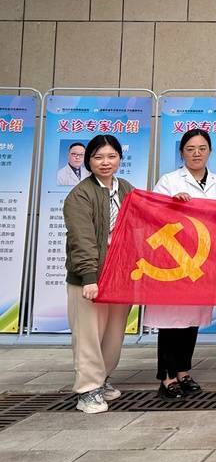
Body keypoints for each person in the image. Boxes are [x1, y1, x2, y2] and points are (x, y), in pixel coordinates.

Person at [145, 129, 216, 400]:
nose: (196, 154)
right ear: (181, 153)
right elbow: (152, 214)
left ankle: (184, 371)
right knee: (170, 320)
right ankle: (166, 377)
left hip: (203, 261)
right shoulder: (169, 181)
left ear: (209, 151)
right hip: (174, 260)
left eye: (202, 148)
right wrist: (172, 205)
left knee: (192, 319)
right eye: (190, 149)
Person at [64, 134, 134, 414]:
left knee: (114, 332)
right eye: (98, 157)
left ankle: (102, 379)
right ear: (89, 161)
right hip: (90, 277)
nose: (106, 162)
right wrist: (89, 278)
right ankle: (87, 390)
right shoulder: (80, 195)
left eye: (111, 156)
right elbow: (81, 240)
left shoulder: (126, 188)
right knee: (89, 334)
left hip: (120, 275)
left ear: (119, 158)